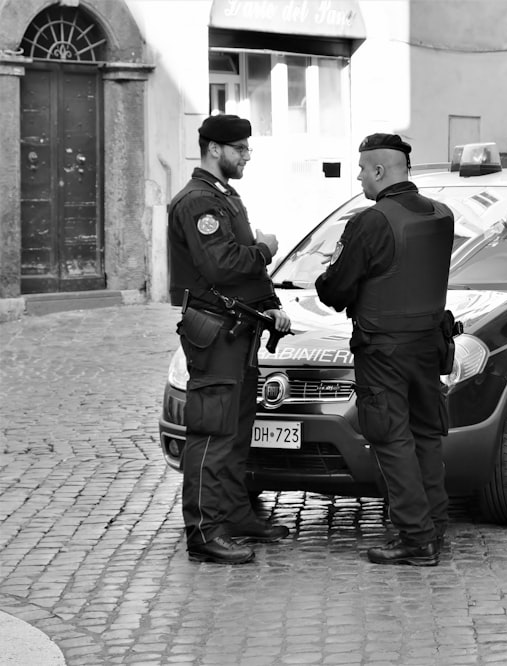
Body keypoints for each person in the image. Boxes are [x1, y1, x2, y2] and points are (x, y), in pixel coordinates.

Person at [314, 133, 455, 567]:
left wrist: (334, 281)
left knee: (392, 439)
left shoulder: (372, 222)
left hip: (384, 350)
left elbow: (334, 289)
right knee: (427, 436)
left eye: (361, 169)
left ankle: (416, 539)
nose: (358, 177)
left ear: (378, 171)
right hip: (429, 344)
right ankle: (434, 525)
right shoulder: (442, 213)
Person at [167, 114, 293, 565]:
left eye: (247, 148)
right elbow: (222, 265)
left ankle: (236, 514)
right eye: (239, 149)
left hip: (238, 328)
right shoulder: (198, 202)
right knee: (212, 431)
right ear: (214, 149)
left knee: (238, 430)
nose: (246, 156)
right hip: (213, 330)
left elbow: (246, 272)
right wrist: (266, 248)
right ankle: (203, 530)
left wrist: (271, 303)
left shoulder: (225, 197)